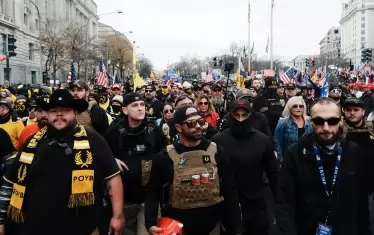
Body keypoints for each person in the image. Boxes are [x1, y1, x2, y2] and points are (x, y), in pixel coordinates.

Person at [0, 89, 124, 235]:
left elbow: (112, 179)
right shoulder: (31, 143)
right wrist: (1, 220)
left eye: (66, 110)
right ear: (47, 114)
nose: (59, 114)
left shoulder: (94, 141)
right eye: (54, 110)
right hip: (36, 227)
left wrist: (118, 217)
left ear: (75, 114)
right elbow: (9, 181)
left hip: (83, 227)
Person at [275, 97, 370, 235]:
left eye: (332, 121)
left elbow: (361, 201)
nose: (326, 128)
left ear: (340, 121)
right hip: (307, 228)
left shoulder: (353, 151)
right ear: (311, 121)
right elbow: (284, 202)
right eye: (319, 121)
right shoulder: (295, 153)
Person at [145, 105, 241, 235]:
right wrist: (150, 223)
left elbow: (230, 189)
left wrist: (234, 227)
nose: (198, 126)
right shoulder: (165, 156)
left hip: (213, 224)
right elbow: (153, 191)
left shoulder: (216, 151)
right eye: (191, 123)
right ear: (179, 127)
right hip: (177, 227)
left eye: (200, 121)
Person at [213, 99, 279, 235]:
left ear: (251, 116)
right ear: (230, 116)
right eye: (236, 115)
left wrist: (279, 204)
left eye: (244, 115)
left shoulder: (262, 140)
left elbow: (274, 174)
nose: (240, 119)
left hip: (256, 202)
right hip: (228, 203)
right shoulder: (218, 140)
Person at [105, 92, 164, 235]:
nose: (140, 108)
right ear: (125, 110)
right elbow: (102, 156)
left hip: (149, 199)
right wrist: (112, 160)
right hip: (125, 201)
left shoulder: (153, 130)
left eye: (142, 105)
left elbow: (163, 155)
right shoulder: (115, 131)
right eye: (135, 105)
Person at [274, 96, 312, 162]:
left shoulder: (309, 121)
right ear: (289, 107)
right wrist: (281, 160)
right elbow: (278, 143)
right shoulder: (283, 122)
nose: (298, 108)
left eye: (301, 106)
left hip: (307, 159)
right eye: (295, 106)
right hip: (289, 159)